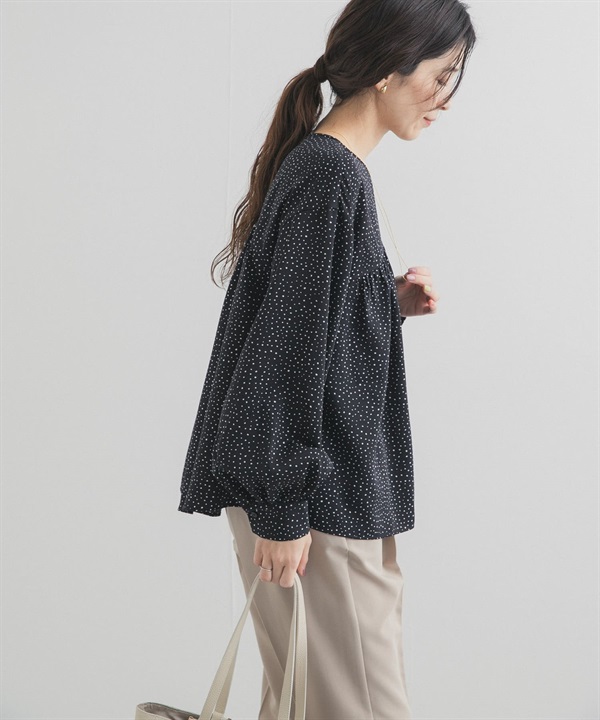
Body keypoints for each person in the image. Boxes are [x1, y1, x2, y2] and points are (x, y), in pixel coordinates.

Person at [178, 1, 477, 717]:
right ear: (387, 69)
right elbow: (279, 352)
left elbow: (302, 324)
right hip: (317, 502)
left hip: (315, 497)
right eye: (440, 76)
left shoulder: (325, 169)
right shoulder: (330, 177)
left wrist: (384, 302)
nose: (446, 98)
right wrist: (282, 506)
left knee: (304, 704)